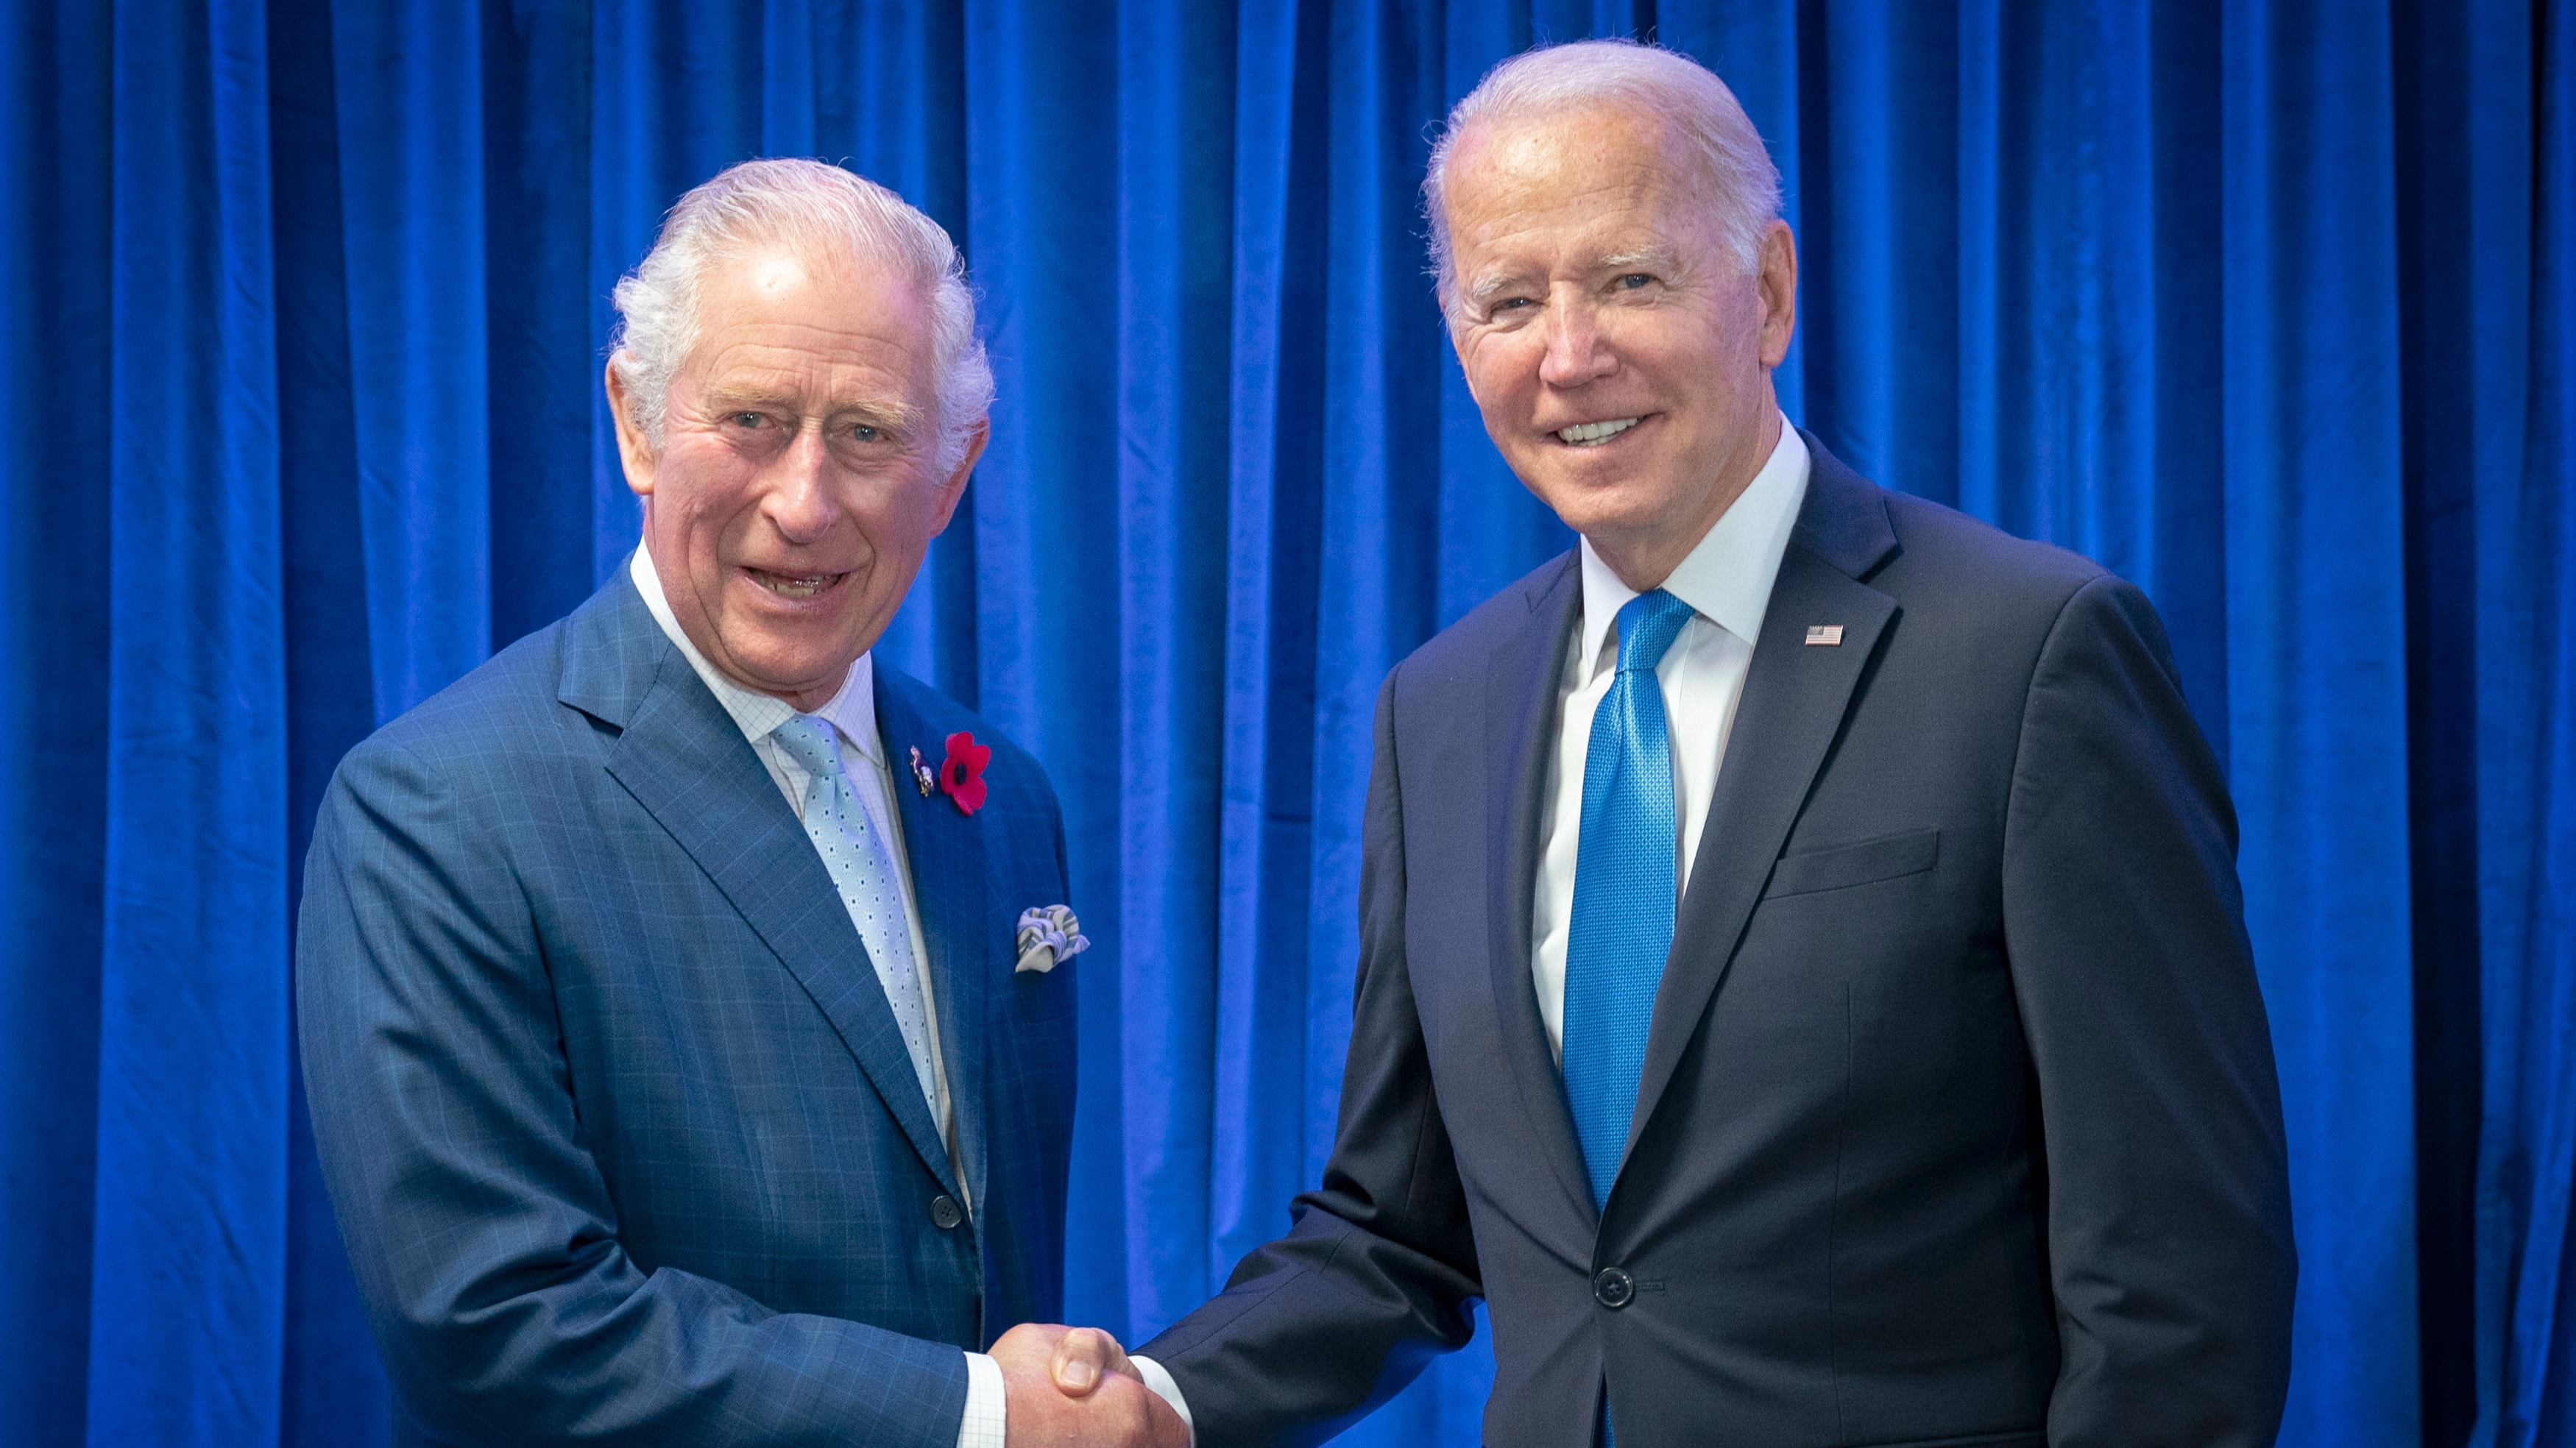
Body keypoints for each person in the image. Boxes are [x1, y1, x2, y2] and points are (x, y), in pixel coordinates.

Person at [1069, 39, 2299, 1447]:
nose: (1569, 356)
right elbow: (1395, 1230)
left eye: (1631, 281)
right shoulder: (1439, 710)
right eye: (1510, 301)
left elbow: (2178, 1277)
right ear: (1461, 342)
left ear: (1766, 291)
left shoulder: (2030, 655)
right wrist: (1154, 1401)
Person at [297, 159, 1183, 1448]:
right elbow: (494, 1328)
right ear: (636, 424)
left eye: (869, 433)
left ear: (954, 470)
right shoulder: (437, 811)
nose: (804, 503)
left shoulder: (1002, 802)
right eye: (753, 419)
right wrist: (984, 1416)